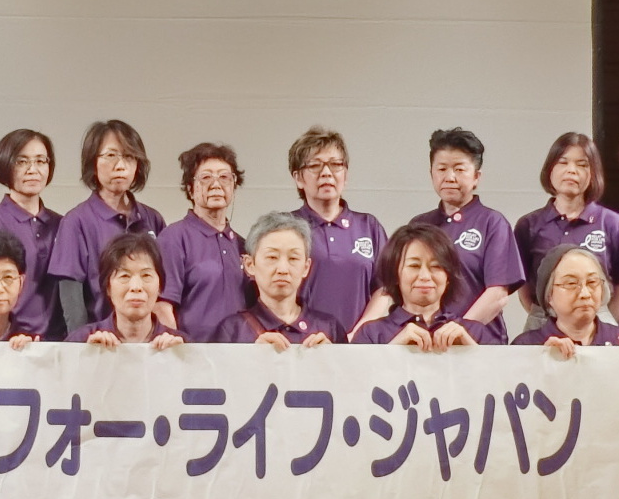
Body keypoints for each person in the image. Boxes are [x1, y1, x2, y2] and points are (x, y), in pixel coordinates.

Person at [404, 127, 524, 334]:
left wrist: (459, 330)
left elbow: (498, 294)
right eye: (442, 169)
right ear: (431, 173)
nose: (450, 177)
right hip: (426, 340)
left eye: (459, 169)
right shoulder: (418, 224)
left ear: (476, 176)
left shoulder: (492, 223)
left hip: (479, 341)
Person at [49, 120, 166, 328]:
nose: (120, 166)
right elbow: (72, 299)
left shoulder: (152, 218)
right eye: (111, 155)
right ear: (92, 162)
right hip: (100, 338)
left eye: (129, 157)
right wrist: (83, 340)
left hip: (146, 338)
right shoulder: (76, 221)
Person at [514, 133, 619, 320]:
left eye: (582, 164)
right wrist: (541, 318)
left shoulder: (611, 222)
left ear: (593, 174)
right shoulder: (528, 225)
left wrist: (602, 325)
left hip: (597, 321)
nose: (571, 170)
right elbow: (523, 286)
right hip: (544, 322)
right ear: (550, 169)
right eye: (563, 162)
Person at [287, 127, 388, 334]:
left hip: (357, 345)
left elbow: (385, 289)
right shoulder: (285, 227)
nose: (327, 173)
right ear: (298, 178)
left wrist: (356, 336)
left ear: (346, 174)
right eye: (315, 165)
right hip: (299, 343)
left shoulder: (369, 226)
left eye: (335, 165)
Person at [0, 129, 63, 338]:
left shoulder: (61, 223)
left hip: (56, 340)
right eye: (22, 162)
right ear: (6, 164)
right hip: (7, 340)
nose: (33, 170)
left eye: (40, 161)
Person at [207, 212, 340, 346]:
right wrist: (251, 354)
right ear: (249, 265)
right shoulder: (232, 331)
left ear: (306, 267)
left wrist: (330, 355)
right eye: (272, 257)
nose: (283, 269)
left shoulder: (329, 328)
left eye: (293, 258)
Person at [158, 143, 249, 339]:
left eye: (224, 177)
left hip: (240, 351)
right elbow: (163, 306)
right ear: (190, 189)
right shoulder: (173, 237)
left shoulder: (243, 245)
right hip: (190, 351)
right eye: (206, 177)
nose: (216, 185)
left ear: (234, 187)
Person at [349, 225, 489, 349]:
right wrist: (394, 348)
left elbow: (496, 371)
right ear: (395, 274)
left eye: (436, 266)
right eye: (414, 266)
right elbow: (358, 372)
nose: (425, 276)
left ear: (448, 277)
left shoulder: (476, 332)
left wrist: (471, 350)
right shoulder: (371, 334)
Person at [511, 244, 619, 356]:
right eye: (571, 283)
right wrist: (542, 361)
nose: (585, 294)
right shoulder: (526, 346)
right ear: (549, 296)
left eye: (592, 282)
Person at [69, 232, 185, 348]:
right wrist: (87, 354)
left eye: (146, 275)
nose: (136, 287)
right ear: (108, 287)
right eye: (124, 276)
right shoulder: (80, 341)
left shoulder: (181, 344)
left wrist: (181, 355)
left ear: (159, 286)